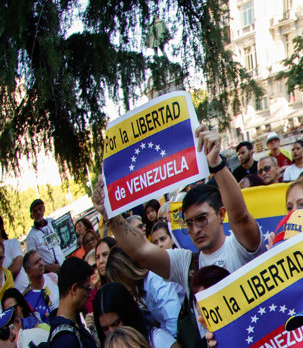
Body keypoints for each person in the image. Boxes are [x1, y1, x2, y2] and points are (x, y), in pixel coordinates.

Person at [98, 125, 265, 294]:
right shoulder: (185, 265)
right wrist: (110, 215)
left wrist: (216, 164)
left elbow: (240, 216)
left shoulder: (240, 247)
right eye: (189, 223)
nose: (195, 229)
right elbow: (141, 251)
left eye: (201, 219)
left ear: (221, 214)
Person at [94, 282, 190, 348]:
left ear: (127, 316)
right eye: (105, 329)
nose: (112, 332)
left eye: (116, 324)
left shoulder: (159, 341)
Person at [104, 244, 186, 339]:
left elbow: (173, 317)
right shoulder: (143, 287)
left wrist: (173, 344)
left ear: (126, 272)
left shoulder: (154, 277)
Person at [24, 198, 65, 272]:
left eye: (40, 208)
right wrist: (46, 267)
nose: (38, 212)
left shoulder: (52, 222)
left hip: (64, 265)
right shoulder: (31, 237)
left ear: (44, 208)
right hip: (50, 273)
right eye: (35, 211)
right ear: (32, 216)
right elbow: (31, 260)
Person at [21, 250, 58, 322]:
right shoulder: (28, 298)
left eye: (40, 260)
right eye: (36, 263)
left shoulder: (53, 277)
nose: (41, 263)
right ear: (28, 272)